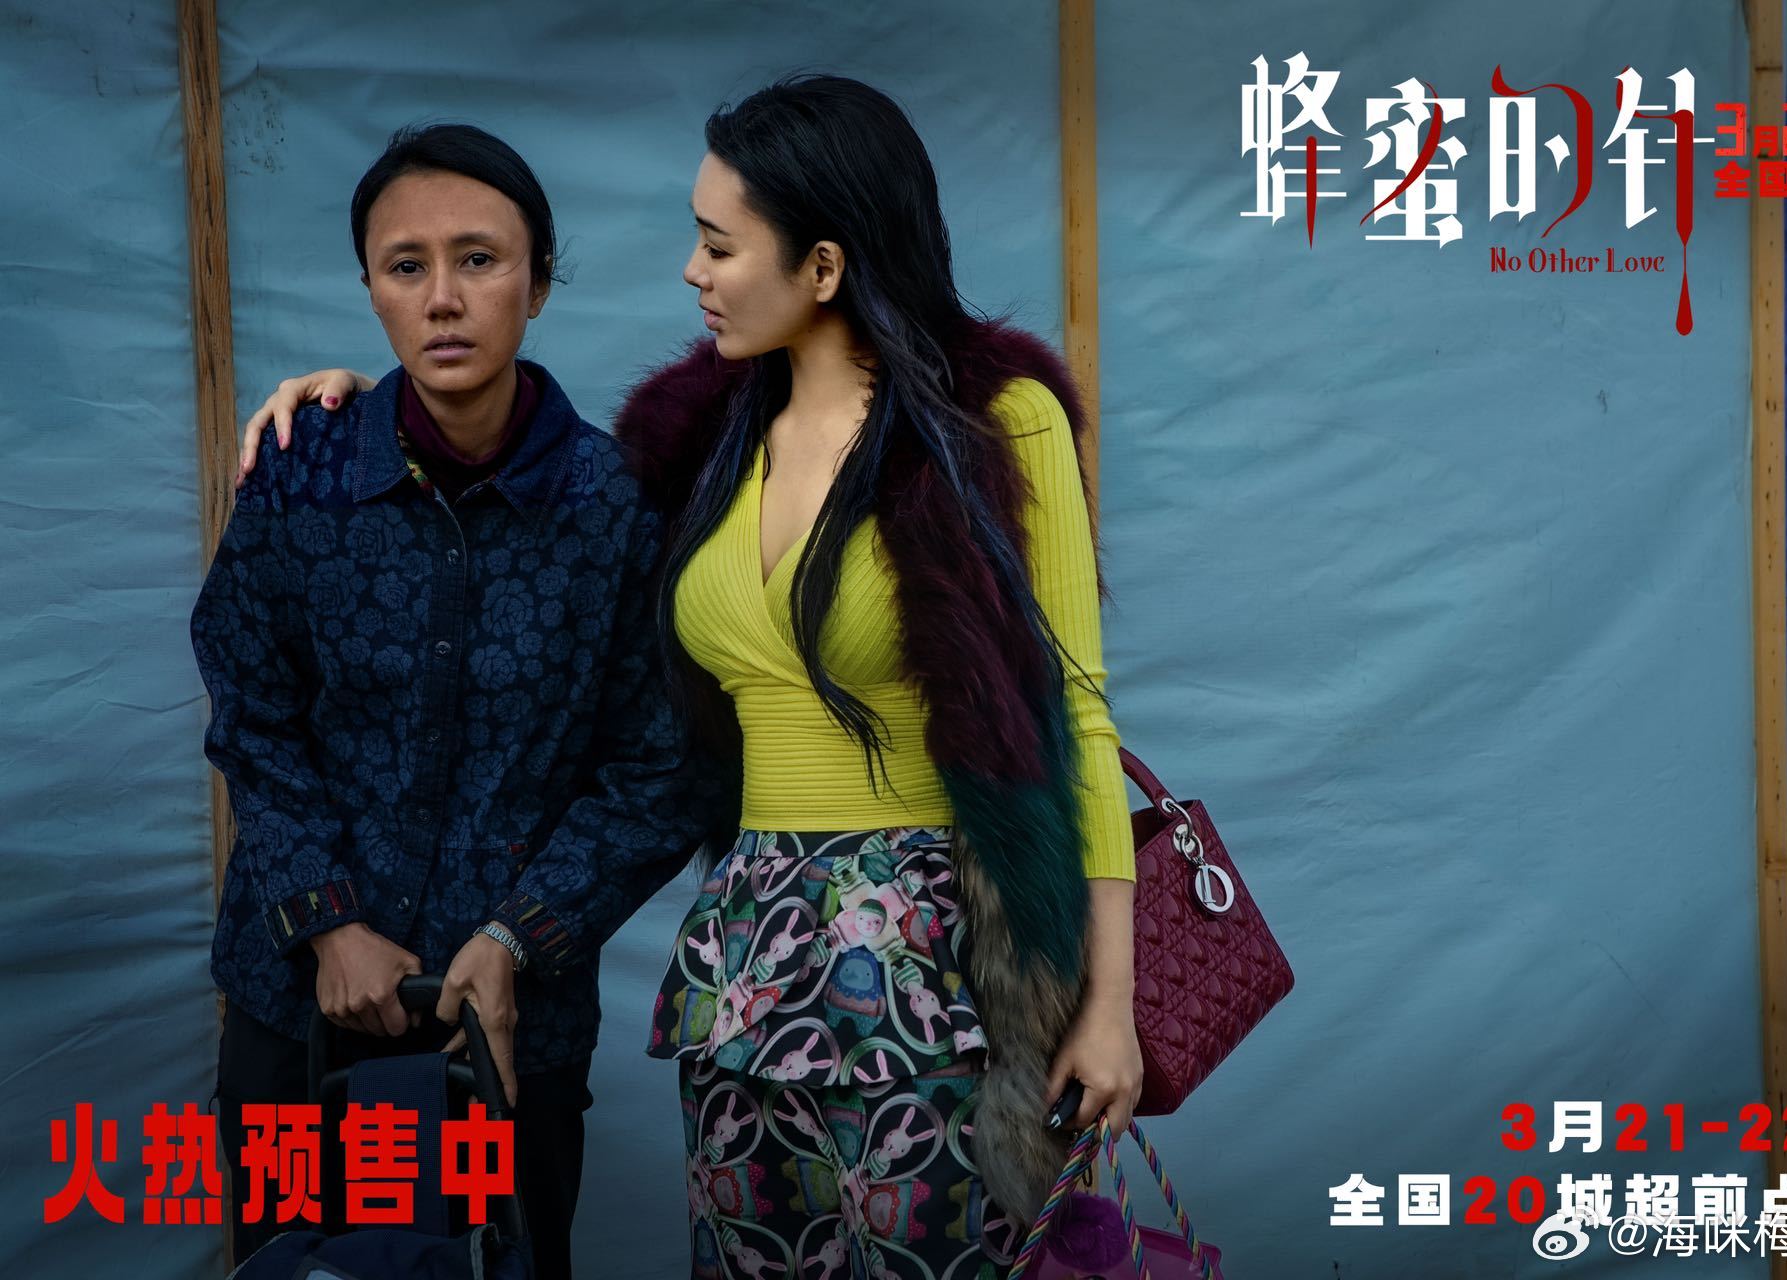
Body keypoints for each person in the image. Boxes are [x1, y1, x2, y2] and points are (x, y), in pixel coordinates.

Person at [240, 75, 1142, 1278]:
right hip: (749, 950)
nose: (691, 270)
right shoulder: (698, 437)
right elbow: (491, 499)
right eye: (696, 239)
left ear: (823, 266)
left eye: (719, 245)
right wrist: (357, 407)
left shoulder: (994, 419)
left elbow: (1077, 709)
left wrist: (1108, 1002)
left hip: (934, 953)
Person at [193, 123, 711, 1279]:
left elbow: (658, 769)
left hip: (511, 1027)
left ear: (539, 280)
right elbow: (252, 715)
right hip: (296, 1009)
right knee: (302, 1266)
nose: (442, 298)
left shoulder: (618, 506)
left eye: (479, 259)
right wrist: (327, 921)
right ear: (371, 288)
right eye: (405, 265)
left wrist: (514, 939)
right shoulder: (301, 471)